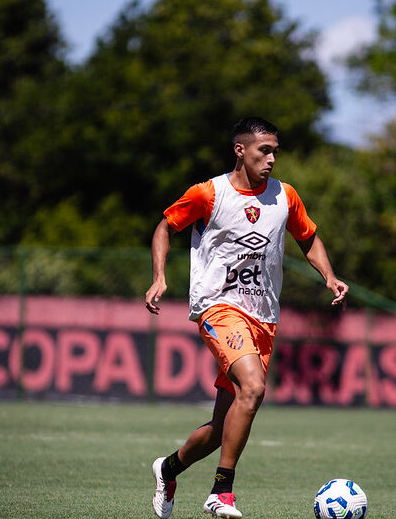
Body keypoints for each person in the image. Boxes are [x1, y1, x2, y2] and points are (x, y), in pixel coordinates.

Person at [145, 117, 348, 519]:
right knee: (254, 388)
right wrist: (159, 277)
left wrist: (329, 276)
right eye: (264, 150)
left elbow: (308, 238)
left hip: (263, 317)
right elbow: (165, 228)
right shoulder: (208, 193)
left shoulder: (285, 196)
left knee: (223, 428)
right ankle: (222, 492)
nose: (271, 159)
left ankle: (168, 469)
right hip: (218, 307)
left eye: (275, 151)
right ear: (240, 150)